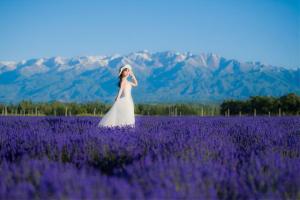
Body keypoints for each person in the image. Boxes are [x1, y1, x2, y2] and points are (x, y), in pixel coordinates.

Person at [98, 64, 138, 128]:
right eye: (126, 71)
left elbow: (136, 84)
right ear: (122, 73)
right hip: (125, 100)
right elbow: (121, 89)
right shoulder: (123, 80)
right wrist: (118, 97)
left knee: (128, 113)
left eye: (128, 71)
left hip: (129, 100)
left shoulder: (127, 81)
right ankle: (122, 126)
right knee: (124, 113)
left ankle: (126, 126)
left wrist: (132, 75)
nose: (127, 72)